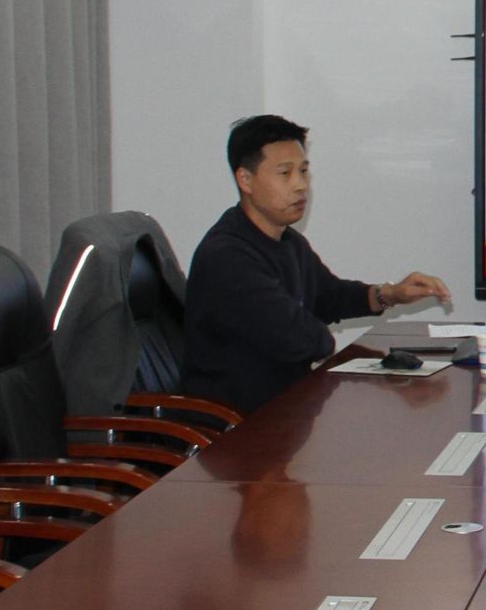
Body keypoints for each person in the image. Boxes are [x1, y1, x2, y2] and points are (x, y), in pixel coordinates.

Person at [181, 115, 454, 413]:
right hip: (236, 425)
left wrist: (390, 294)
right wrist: (320, 335)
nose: (301, 185)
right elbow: (301, 339)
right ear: (245, 179)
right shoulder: (227, 257)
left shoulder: (288, 241)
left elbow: (329, 296)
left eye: (303, 170)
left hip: (284, 409)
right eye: (285, 173)